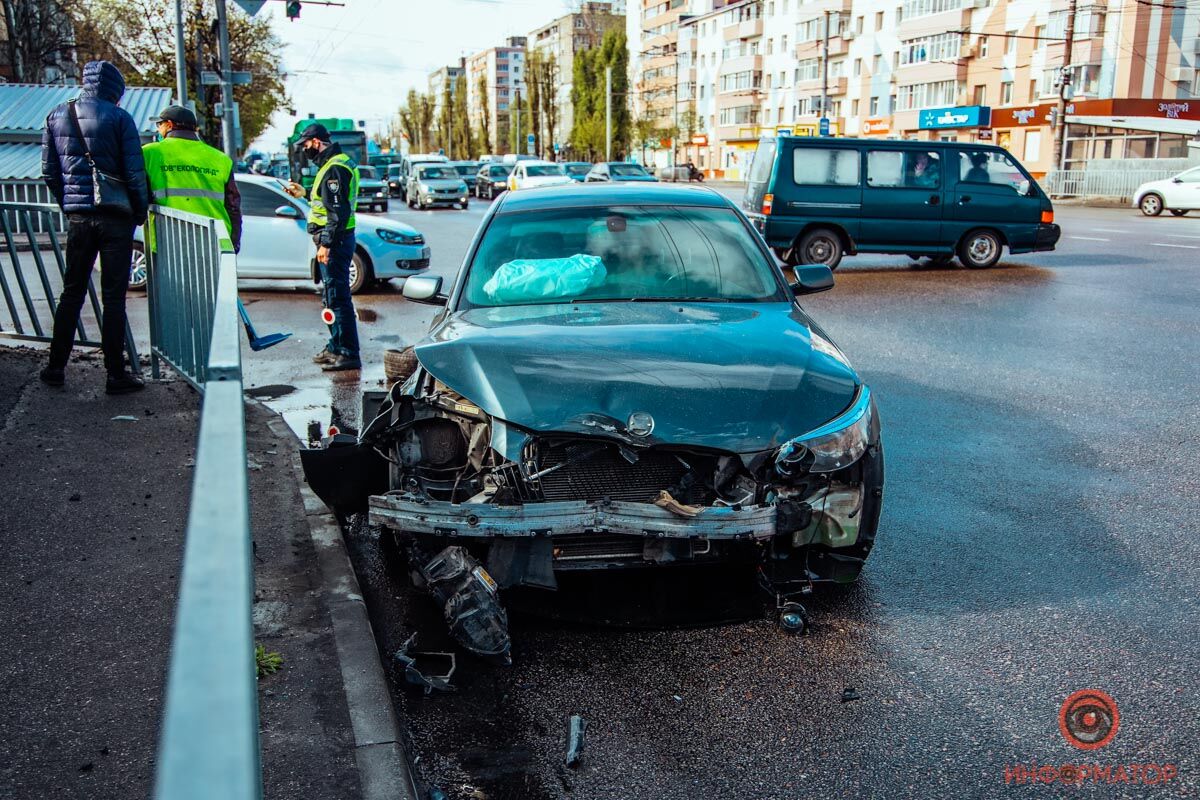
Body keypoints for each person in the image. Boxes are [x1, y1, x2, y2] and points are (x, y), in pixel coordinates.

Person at [40, 60, 149, 394]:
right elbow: (134, 173)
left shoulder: (57, 114)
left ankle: (55, 367)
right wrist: (139, 212)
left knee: (72, 292)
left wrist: (71, 204)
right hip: (116, 218)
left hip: (79, 219)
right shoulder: (119, 118)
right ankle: (116, 374)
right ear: (115, 89)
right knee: (113, 297)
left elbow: (49, 171)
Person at [285, 124, 361, 371]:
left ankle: (348, 353)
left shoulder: (335, 167)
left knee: (338, 298)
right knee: (331, 297)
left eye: (305, 145)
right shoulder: (334, 165)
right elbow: (328, 201)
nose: (304, 149)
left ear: (316, 142)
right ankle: (336, 345)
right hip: (335, 239)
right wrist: (305, 193)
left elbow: (337, 212)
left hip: (335, 241)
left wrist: (326, 244)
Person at [141, 105, 241, 255]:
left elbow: (140, 193)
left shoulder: (149, 153)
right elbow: (233, 205)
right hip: (212, 242)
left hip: (168, 242)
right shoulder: (221, 159)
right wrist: (234, 242)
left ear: (169, 124)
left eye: (159, 124)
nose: (158, 129)